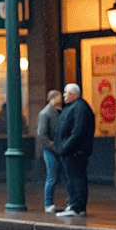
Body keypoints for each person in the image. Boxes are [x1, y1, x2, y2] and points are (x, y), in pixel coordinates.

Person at [54, 83, 95, 217]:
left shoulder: (80, 107)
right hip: (70, 152)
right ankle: (74, 205)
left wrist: (65, 147)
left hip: (74, 153)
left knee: (75, 179)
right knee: (71, 179)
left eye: (66, 93)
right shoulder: (73, 107)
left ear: (74, 95)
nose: (63, 95)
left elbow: (78, 132)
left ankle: (76, 207)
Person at [37, 90, 64, 213]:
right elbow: (42, 135)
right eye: (59, 97)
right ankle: (48, 203)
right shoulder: (45, 113)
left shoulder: (58, 111)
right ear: (54, 98)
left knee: (63, 176)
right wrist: (55, 148)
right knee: (52, 177)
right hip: (50, 151)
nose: (62, 98)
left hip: (59, 149)